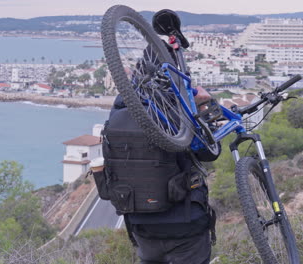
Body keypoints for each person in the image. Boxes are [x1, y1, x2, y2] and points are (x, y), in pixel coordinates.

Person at [91, 9, 217, 264]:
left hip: (141, 225)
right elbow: (208, 152)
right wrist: (203, 111)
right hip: (185, 225)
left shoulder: (121, 105)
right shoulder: (180, 107)